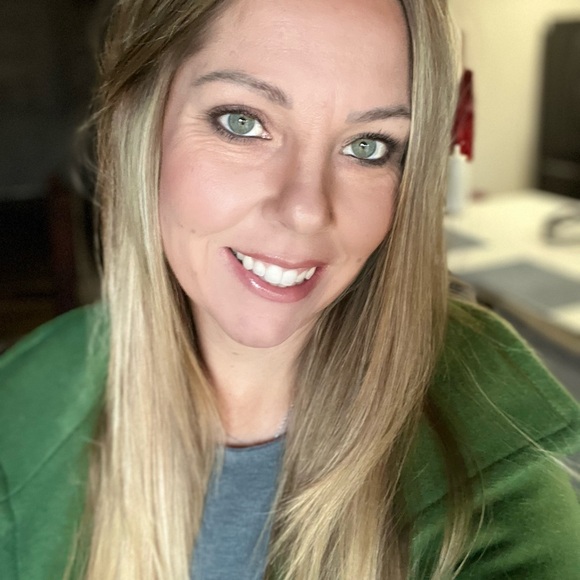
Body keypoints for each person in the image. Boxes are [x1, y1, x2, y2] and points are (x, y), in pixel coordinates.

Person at [1, 0, 579, 578]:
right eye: (242, 122)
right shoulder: (26, 404)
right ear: (139, 123)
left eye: (368, 146)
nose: (305, 210)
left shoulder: (501, 498)